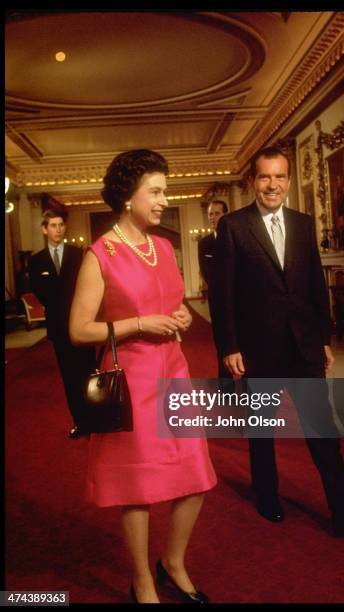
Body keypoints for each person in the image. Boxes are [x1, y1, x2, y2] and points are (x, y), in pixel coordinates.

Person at [213, 145, 344, 537]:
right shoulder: (233, 226)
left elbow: (315, 283)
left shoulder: (303, 223)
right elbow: (223, 294)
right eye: (265, 177)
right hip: (257, 350)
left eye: (280, 177)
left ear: (289, 181)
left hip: (302, 347)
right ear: (253, 181)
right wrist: (229, 346)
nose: (273, 185)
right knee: (262, 431)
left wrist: (324, 339)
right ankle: (267, 498)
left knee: (322, 431)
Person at [69, 149, 217, 604]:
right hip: (130, 379)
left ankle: (172, 562)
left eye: (163, 191)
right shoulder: (101, 254)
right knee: (138, 487)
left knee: (197, 477)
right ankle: (143, 580)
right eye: (154, 191)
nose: (162, 200)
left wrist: (179, 316)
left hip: (173, 371)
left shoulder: (165, 246)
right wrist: (140, 323)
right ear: (127, 197)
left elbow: (169, 302)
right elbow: (78, 330)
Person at [28, 209, 96, 439]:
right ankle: (79, 420)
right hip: (59, 328)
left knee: (89, 372)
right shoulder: (36, 261)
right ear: (44, 229)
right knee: (69, 377)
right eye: (53, 225)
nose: (58, 229)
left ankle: (96, 416)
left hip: (84, 323)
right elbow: (40, 293)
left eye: (61, 225)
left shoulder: (79, 254)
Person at [198, 199, 230, 378]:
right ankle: (226, 389)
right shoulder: (204, 243)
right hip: (218, 301)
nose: (213, 217)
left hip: (241, 300)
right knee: (222, 344)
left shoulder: (239, 237)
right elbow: (206, 273)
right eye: (210, 213)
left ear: (226, 215)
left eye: (217, 213)